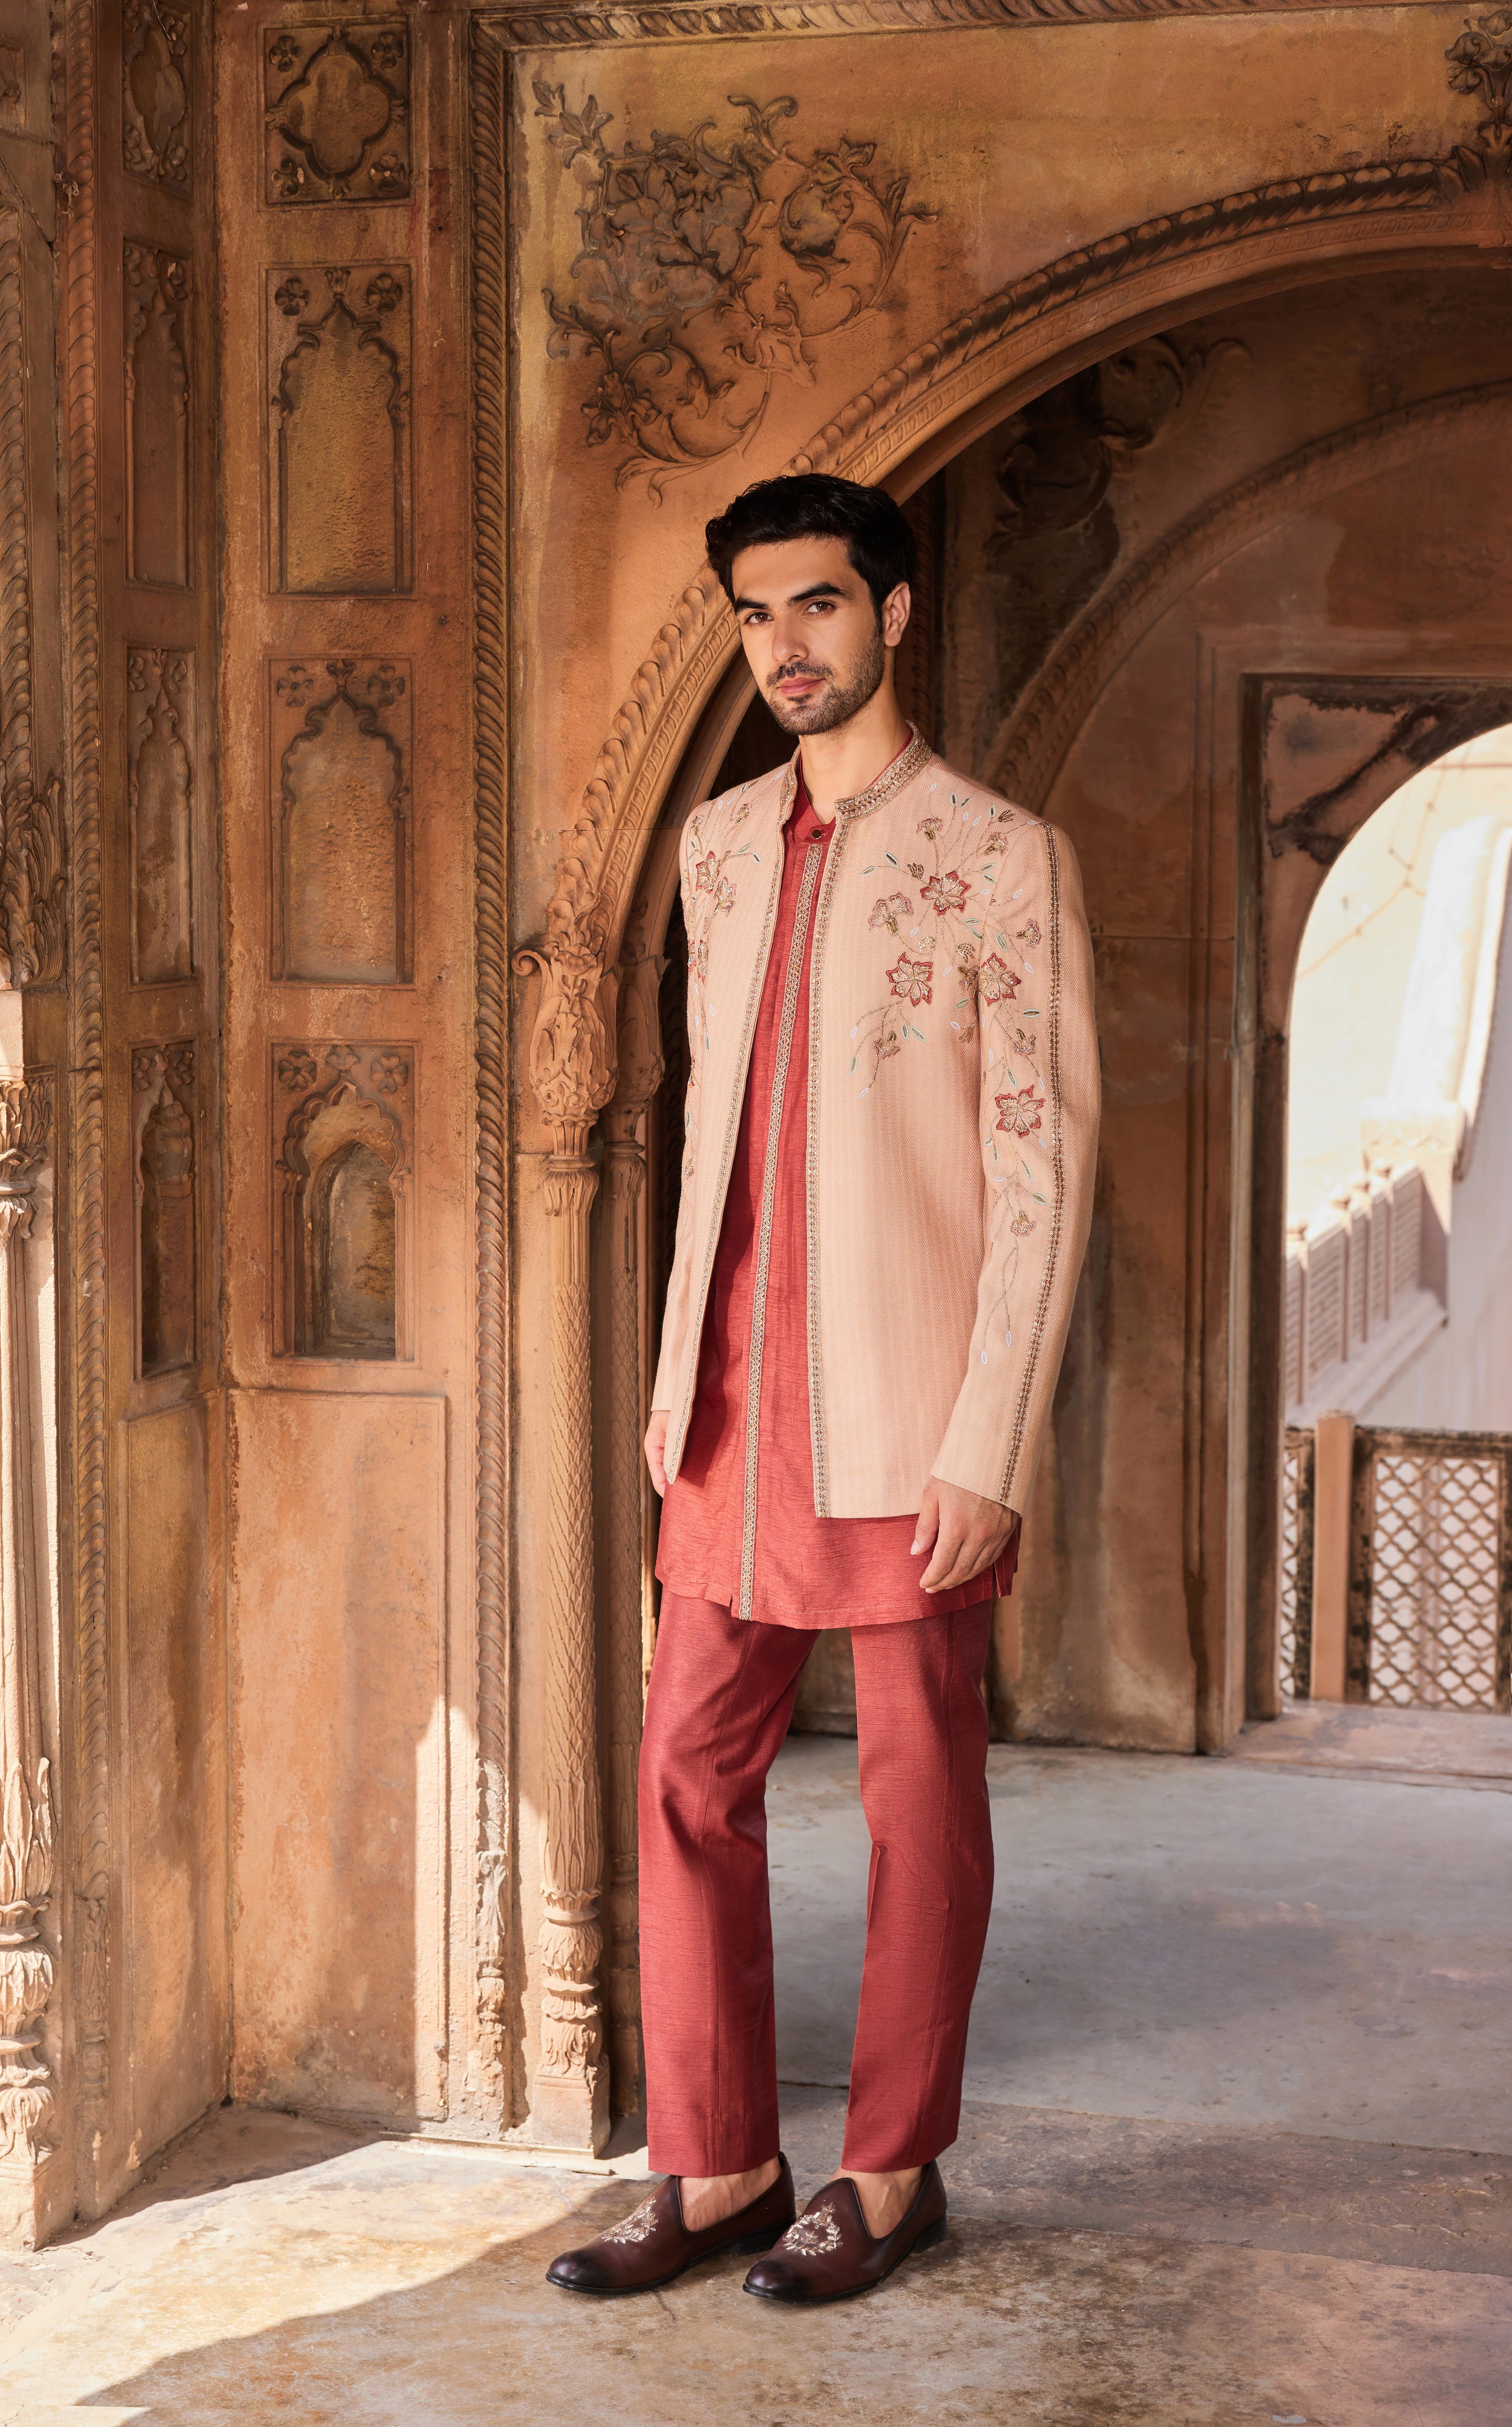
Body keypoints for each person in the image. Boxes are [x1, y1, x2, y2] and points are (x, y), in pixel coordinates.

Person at [548, 473, 1099, 2304]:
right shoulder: (713, 848)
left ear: (894, 611)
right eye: (752, 614)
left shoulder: (997, 853)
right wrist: (664, 1387)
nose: (782, 645)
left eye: (815, 607)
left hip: (905, 1411)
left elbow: (1038, 1166)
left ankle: (887, 2166)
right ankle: (711, 2163)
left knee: (913, 1785)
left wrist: (989, 1435)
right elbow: (717, 1128)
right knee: (683, 1769)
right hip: (724, 1397)